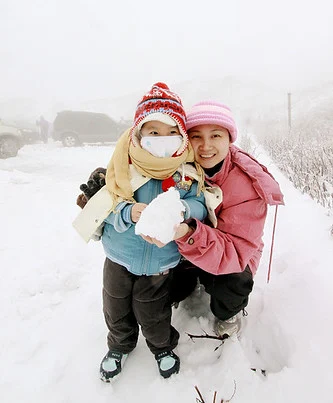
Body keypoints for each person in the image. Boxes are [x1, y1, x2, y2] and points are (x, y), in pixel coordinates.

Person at [73, 83, 207, 381]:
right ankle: (119, 345)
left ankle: (162, 346)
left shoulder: (186, 173)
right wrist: (127, 213)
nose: (162, 140)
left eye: (170, 132)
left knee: (154, 311)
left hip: (160, 262)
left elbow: (200, 206)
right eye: (153, 132)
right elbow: (108, 204)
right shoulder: (124, 167)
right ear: (138, 134)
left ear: (182, 135)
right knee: (116, 306)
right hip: (119, 257)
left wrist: (183, 210)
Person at [143, 100, 284, 338]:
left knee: (233, 283)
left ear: (230, 139)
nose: (206, 146)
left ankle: (229, 313)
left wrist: (188, 234)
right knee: (161, 287)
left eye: (216, 135)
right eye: (196, 136)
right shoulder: (174, 166)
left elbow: (235, 253)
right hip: (186, 250)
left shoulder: (246, 184)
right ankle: (185, 285)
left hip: (231, 258)